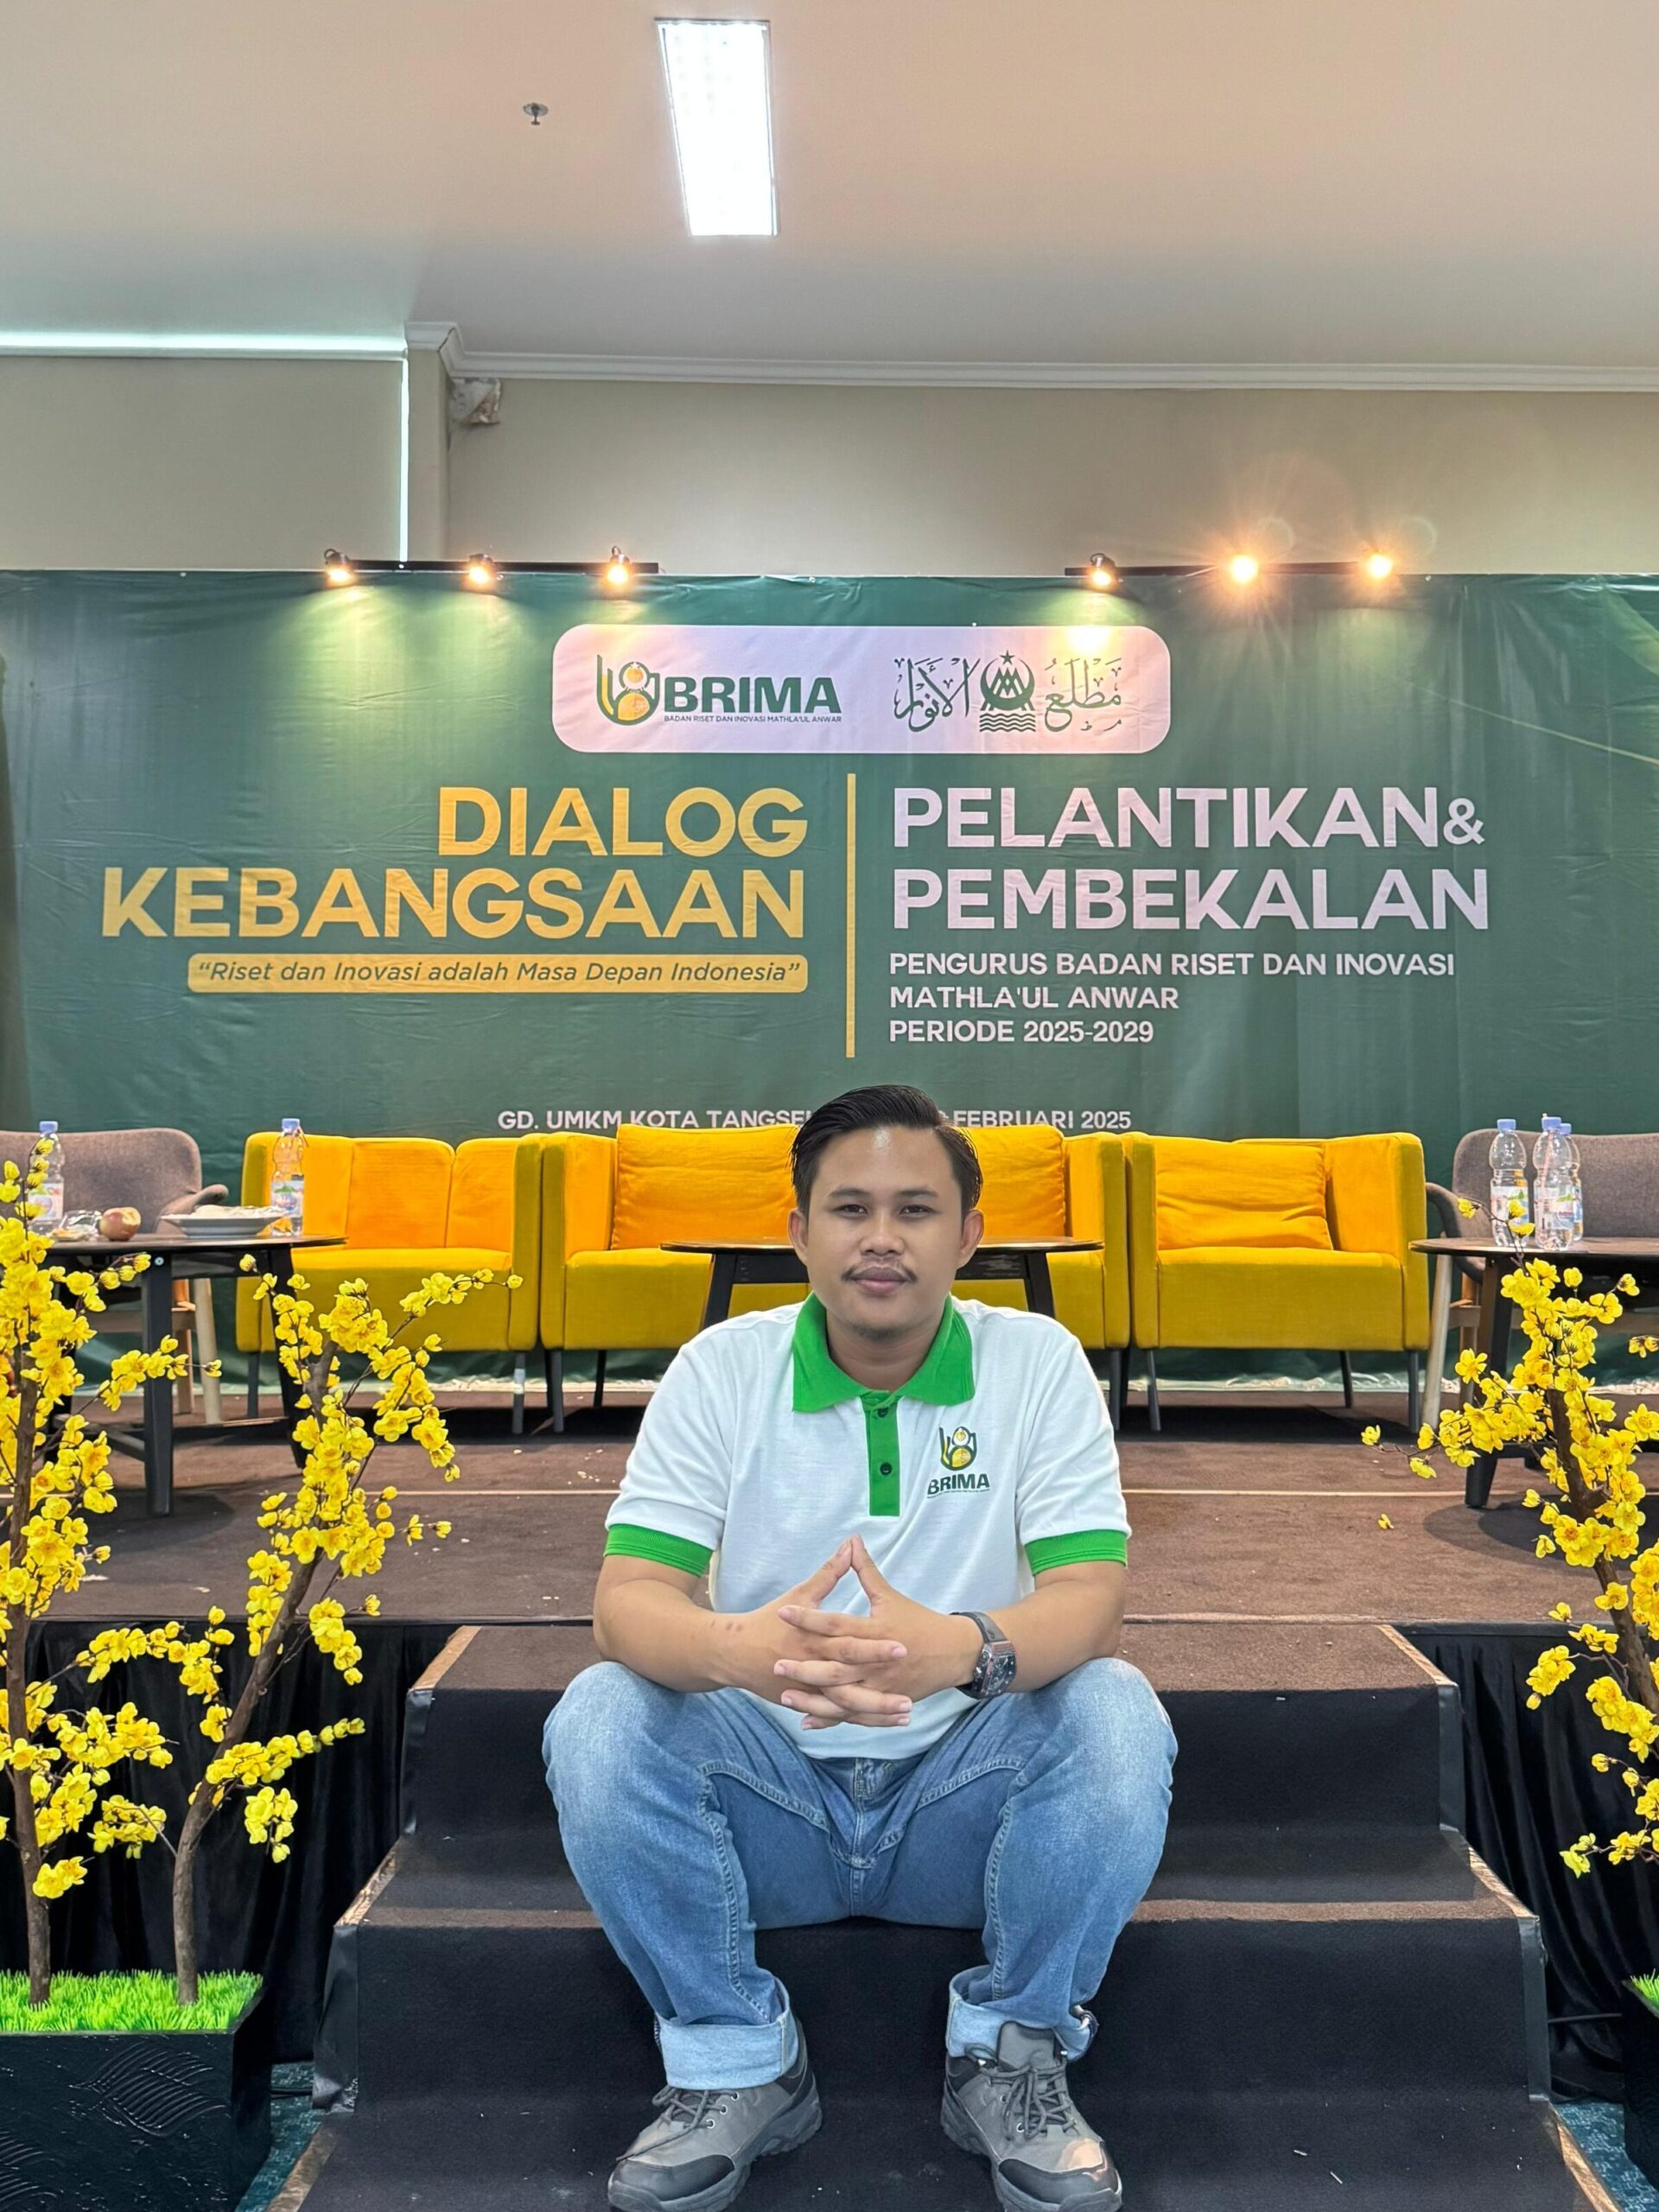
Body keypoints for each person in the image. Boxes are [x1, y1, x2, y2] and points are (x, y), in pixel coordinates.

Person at [543, 1084, 1175, 2212]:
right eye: (850, 1209)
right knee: (599, 1711)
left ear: (969, 1236)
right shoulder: (720, 1369)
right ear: (799, 1231)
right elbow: (627, 1601)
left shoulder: (1038, 1363)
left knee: (1115, 1708)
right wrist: (740, 1651)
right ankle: (736, 2063)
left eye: (915, 1210)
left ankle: (1011, 2057)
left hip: (960, 1808)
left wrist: (962, 1651)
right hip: (766, 1807)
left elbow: (1091, 1599)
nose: (882, 1239)